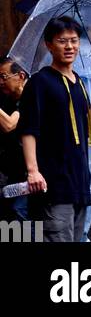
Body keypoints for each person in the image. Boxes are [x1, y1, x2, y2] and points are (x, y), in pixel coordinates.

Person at [17, 16, 91, 242]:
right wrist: (33, 171)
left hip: (78, 182)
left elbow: (85, 125)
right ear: (49, 45)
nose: (69, 46)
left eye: (74, 40)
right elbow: (29, 129)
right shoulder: (39, 82)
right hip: (53, 183)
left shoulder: (78, 81)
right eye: (62, 41)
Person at [0, 56, 29, 220]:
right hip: (12, 172)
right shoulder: (7, 99)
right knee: (10, 216)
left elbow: (10, 124)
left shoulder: (30, 98)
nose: (0, 82)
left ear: (21, 76)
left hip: (29, 173)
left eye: (4, 77)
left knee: (21, 211)